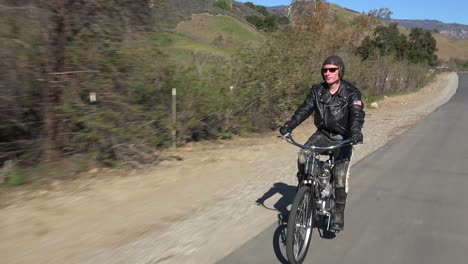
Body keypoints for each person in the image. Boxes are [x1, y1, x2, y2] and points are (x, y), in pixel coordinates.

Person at [279, 55, 365, 231]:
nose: (328, 73)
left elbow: (357, 114)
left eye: (332, 69)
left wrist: (356, 132)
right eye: (325, 70)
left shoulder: (351, 92)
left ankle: (338, 213)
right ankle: (304, 189)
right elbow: (304, 110)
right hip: (323, 134)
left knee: (340, 177)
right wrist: (289, 125)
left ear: (340, 70)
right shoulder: (317, 90)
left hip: (344, 138)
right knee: (303, 156)